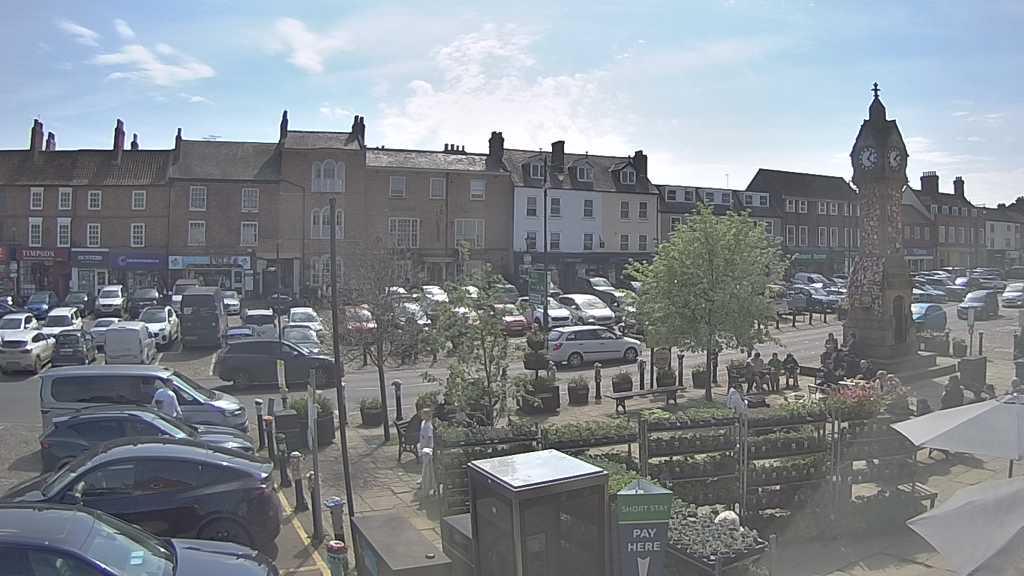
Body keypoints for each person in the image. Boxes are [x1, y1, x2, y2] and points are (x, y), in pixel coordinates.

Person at [417, 406, 436, 498]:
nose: (421, 415)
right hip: (423, 447)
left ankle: (428, 485)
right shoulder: (423, 423)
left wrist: (427, 448)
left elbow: (429, 437)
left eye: (423, 414)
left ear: (428, 416)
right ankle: (424, 481)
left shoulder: (428, 426)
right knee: (425, 466)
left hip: (428, 449)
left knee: (427, 468)